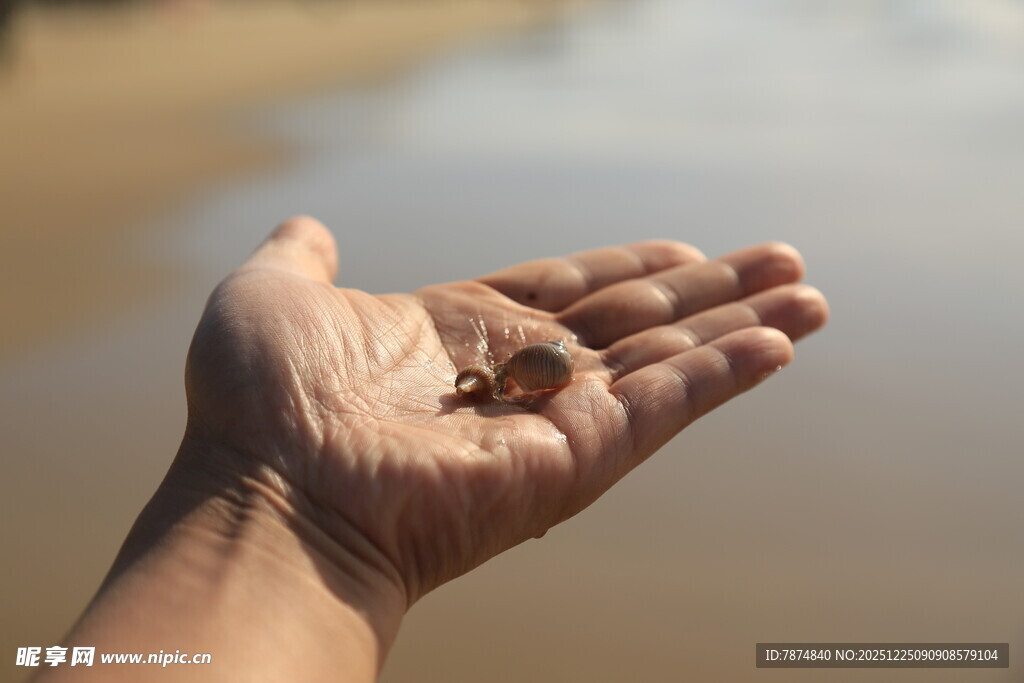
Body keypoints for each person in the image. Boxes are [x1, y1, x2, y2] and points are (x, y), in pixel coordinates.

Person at [39, 216, 828, 681]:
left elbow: (512, 382)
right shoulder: (501, 379)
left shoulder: (515, 378)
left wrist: (286, 512)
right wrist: (295, 506)